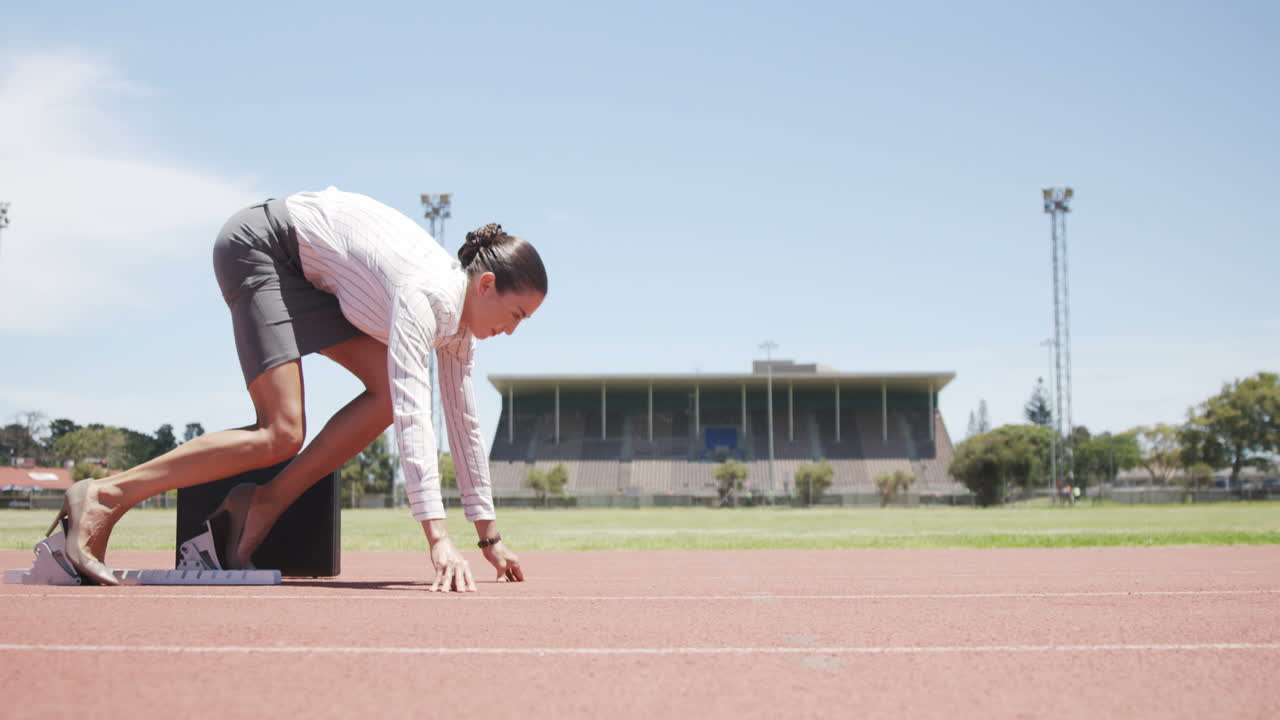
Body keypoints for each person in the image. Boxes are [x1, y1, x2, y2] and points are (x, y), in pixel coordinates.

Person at [47, 187, 546, 591]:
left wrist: (489, 538)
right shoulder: (426, 295)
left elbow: (464, 426)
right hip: (261, 247)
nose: (514, 328)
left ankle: (262, 504)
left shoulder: (459, 331)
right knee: (281, 432)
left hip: (312, 277)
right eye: (516, 314)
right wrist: (437, 537)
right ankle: (104, 496)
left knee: (386, 398)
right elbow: (419, 415)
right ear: (484, 286)